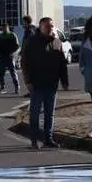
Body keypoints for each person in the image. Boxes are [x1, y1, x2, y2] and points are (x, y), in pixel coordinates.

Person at [20, 17, 70, 148]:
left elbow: (62, 63)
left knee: (50, 113)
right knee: (35, 113)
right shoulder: (32, 41)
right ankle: (34, 140)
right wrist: (28, 80)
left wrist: (64, 81)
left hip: (52, 83)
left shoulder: (56, 42)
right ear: (41, 27)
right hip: (36, 83)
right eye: (47, 26)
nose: (50, 28)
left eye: (52, 26)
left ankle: (49, 139)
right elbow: (24, 62)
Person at [0, 24, 21, 95]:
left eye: (5, 28)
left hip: (10, 56)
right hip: (2, 57)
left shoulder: (12, 35)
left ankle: (17, 87)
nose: (4, 29)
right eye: (3, 28)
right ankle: (2, 88)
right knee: (1, 73)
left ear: (8, 28)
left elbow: (17, 45)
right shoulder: (0, 36)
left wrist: (12, 52)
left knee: (13, 72)